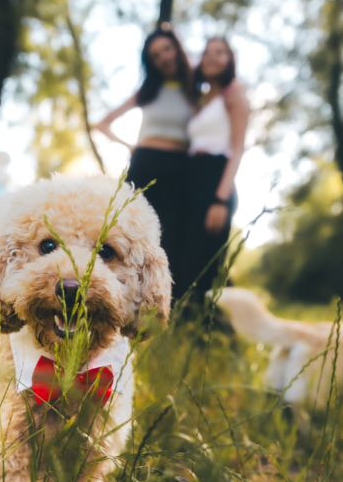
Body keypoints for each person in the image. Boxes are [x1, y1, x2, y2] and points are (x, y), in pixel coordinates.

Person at [93, 26, 194, 297]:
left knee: (173, 235)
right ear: (151, 62)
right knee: (130, 231)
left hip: (180, 169)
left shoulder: (194, 88)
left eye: (166, 49)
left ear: (177, 48)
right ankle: (123, 295)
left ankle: (166, 300)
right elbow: (102, 123)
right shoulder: (148, 91)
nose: (163, 56)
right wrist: (130, 147)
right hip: (145, 164)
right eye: (155, 55)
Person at [177, 37, 249, 301]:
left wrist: (219, 197)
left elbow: (237, 148)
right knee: (184, 259)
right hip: (192, 180)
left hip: (216, 179)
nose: (211, 57)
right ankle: (187, 330)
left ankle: (217, 332)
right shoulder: (202, 99)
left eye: (220, 52)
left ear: (230, 59)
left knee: (202, 269)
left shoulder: (235, 95)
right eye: (207, 52)